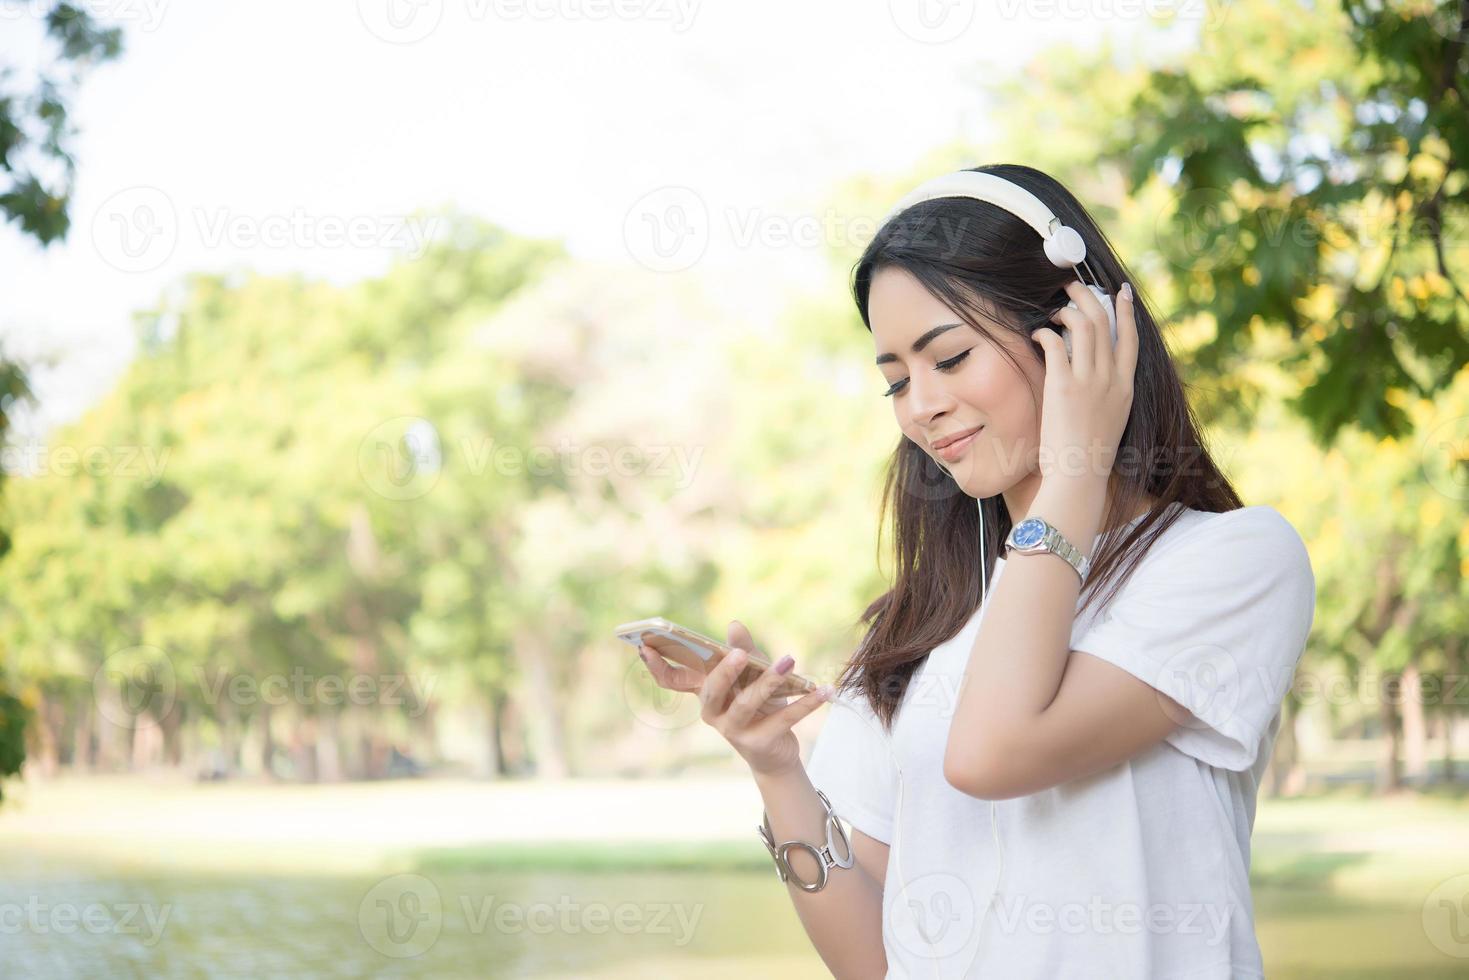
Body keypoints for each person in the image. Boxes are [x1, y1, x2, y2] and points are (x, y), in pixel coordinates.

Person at [636, 163, 1315, 979]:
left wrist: (1073, 471)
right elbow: (872, 961)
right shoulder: (916, 629)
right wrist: (777, 769)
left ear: (1077, 332)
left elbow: (991, 753)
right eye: (895, 380)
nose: (919, 404)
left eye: (949, 358)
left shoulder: (1231, 563)